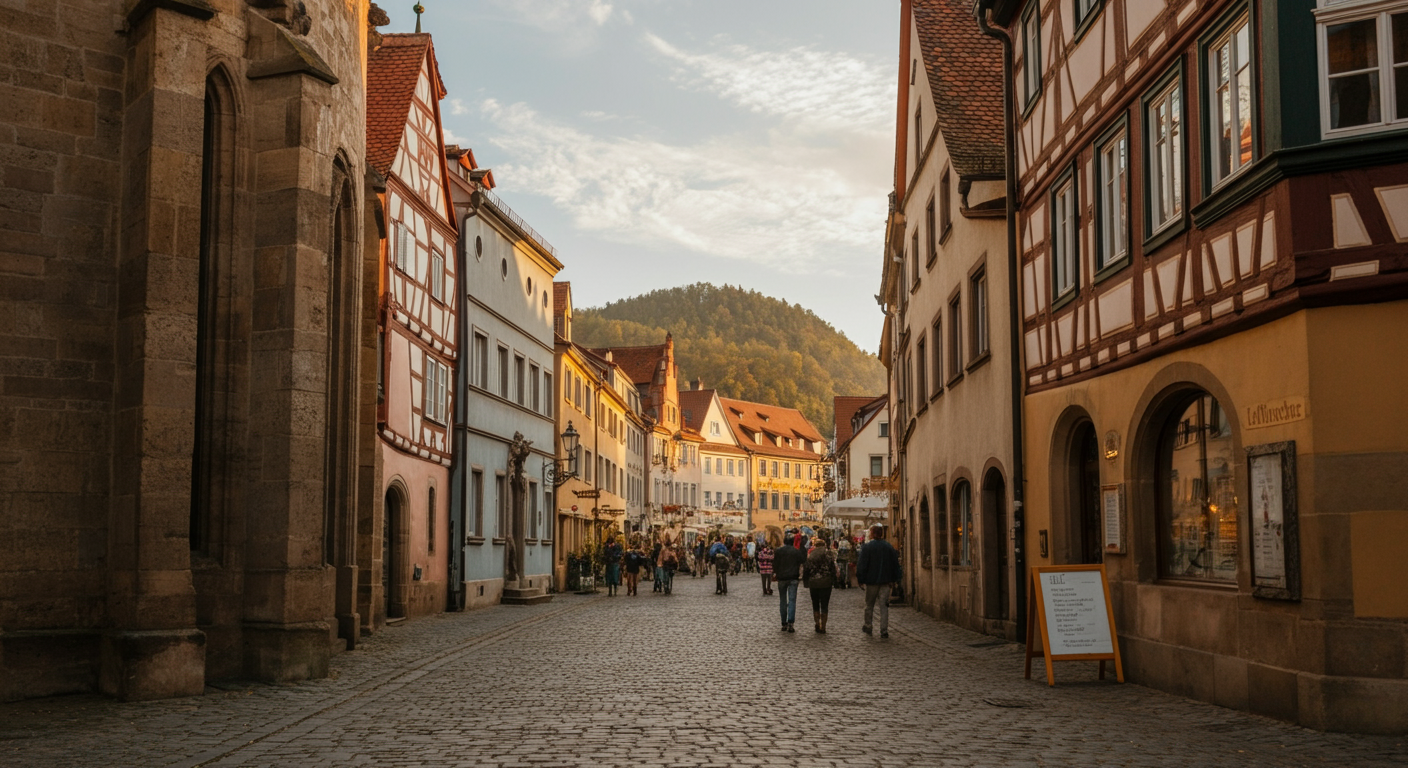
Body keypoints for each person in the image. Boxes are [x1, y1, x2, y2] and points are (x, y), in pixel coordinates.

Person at [856, 524, 901, 638]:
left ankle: (868, 626)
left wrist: (860, 579)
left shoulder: (867, 547)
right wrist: (895, 579)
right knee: (884, 607)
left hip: (871, 582)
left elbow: (862, 564)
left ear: (872, 534)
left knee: (869, 605)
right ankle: (884, 629)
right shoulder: (888, 547)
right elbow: (895, 564)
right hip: (886, 581)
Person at [771, 531, 806, 633]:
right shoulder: (796, 551)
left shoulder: (778, 551)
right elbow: (803, 560)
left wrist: (776, 573)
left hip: (781, 578)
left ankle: (783, 623)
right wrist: (802, 546)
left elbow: (775, 564)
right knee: (792, 601)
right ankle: (790, 623)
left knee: (782, 601)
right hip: (793, 578)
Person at [804, 536, 838, 633]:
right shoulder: (828, 555)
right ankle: (823, 626)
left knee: (815, 604)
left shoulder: (811, 555)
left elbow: (807, 569)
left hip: (813, 583)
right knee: (824, 604)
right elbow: (832, 569)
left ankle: (817, 624)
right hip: (826, 583)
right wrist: (835, 582)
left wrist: (806, 582)